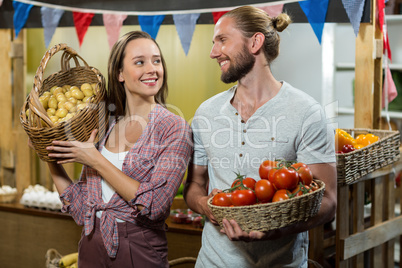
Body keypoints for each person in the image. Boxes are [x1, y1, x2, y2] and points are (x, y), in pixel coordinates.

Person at [184, 6, 337, 268]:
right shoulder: (206, 113)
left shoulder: (306, 112)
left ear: (255, 42)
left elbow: (328, 202)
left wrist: (276, 229)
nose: (213, 53)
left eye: (222, 40)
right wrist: (203, 203)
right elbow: (195, 184)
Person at [42, 31, 192, 267]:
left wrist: (96, 160)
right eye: (140, 62)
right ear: (120, 73)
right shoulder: (103, 127)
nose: (152, 69)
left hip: (138, 248)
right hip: (91, 244)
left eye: (157, 60)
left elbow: (154, 205)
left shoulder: (174, 128)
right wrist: (48, 155)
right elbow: (81, 209)